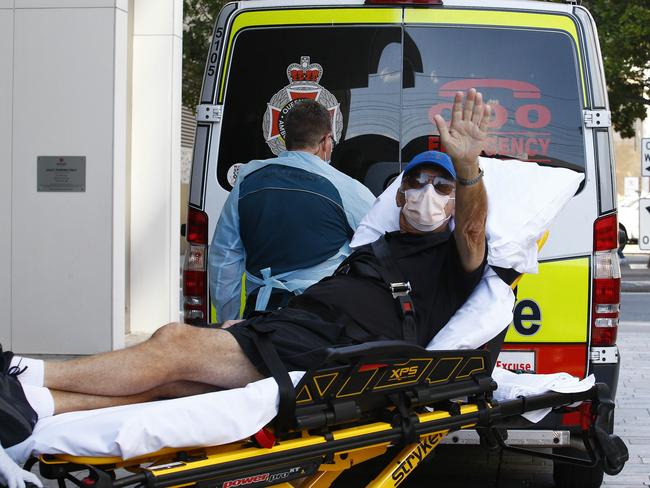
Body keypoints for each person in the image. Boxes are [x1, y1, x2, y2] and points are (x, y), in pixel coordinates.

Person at [1, 89, 490, 445]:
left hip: (337, 351)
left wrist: (467, 168)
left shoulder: (451, 259)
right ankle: (44, 406)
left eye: (443, 188)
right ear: (399, 194)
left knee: (173, 341)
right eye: (418, 183)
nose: (428, 195)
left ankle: (26, 375)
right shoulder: (371, 239)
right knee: (176, 382)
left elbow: (224, 253)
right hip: (290, 325)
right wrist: (248, 322)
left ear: (456, 203)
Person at [209, 99, 375, 320]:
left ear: (286, 140)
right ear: (326, 142)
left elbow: (224, 261)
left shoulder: (247, 184)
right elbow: (382, 247)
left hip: (260, 319)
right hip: (324, 322)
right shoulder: (347, 189)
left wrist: (229, 321)